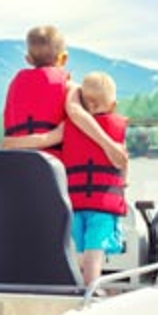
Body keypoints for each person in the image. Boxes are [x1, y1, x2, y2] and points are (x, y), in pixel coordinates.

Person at [1, 25, 127, 169]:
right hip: (48, 168)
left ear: (28, 59)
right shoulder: (68, 86)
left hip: (11, 163)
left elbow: (7, 141)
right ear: (64, 58)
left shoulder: (15, 86)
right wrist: (109, 145)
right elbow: (76, 113)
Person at [63, 72, 128, 285]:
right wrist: (124, 182)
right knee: (95, 250)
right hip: (102, 204)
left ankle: (76, 285)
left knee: (79, 250)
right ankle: (90, 289)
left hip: (76, 203)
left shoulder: (69, 127)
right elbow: (123, 161)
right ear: (113, 104)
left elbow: (53, 138)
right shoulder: (117, 130)